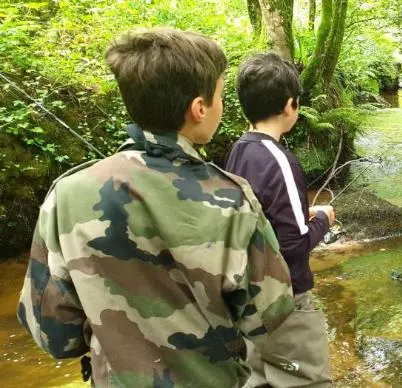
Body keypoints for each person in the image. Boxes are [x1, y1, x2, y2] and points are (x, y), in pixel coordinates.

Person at [16, 28, 295, 387]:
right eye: (221, 96)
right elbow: (268, 315)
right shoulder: (233, 199)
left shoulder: (67, 194)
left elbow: (53, 335)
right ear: (199, 108)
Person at [225, 52, 334, 387]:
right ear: (291, 105)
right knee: (308, 380)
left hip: (247, 298)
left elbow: (256, 220)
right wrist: (323, 220)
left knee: (257, 379)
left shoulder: (238, 151)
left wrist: (303, 217)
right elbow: (293, 246)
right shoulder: (281, 159)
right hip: (286, 300)